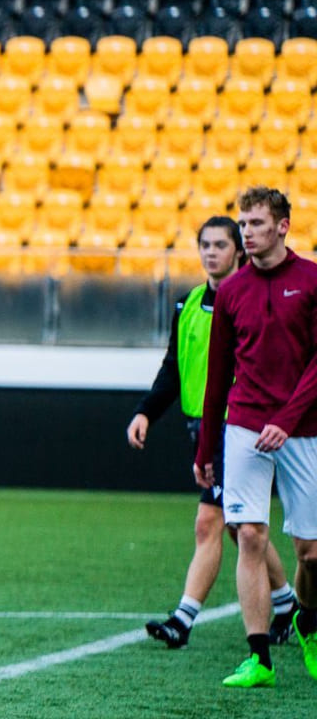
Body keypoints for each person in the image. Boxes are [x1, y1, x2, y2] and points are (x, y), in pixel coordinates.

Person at [129, 216, 296, 648]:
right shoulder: (186, 306)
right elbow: (174, 368)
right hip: (201, 427)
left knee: (212, 521)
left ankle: (183, 620)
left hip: (237, 426)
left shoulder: (250, 300)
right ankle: (287, 605)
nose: (210, 252)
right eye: (205, 244)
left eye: (220, 244)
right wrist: (147, 411)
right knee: (242, 527)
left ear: (238, 250)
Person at [195, 186, 317, 687]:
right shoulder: (231, 291)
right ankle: (260, 656)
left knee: (310, 551)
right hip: (243, 425)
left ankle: (307, 620)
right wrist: (207, 447)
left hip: (303, 429)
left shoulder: (312, 281)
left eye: (257, 224)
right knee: (248, 533)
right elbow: (218, 374)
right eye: (243, 224)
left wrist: (287, 419)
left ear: (283, 227)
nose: (247, 232)